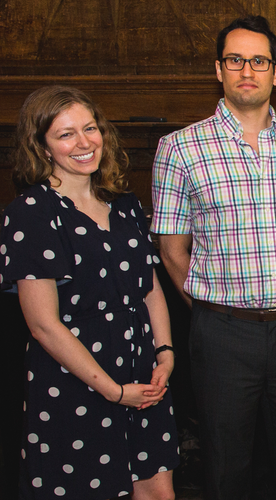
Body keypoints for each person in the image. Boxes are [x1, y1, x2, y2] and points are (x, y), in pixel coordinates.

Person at [151, 15, 276, 500]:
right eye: (235, 60)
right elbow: (171, 250)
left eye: (258, 60)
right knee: (227, 467)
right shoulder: (180, 148)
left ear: (275, 72)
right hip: (222, 333)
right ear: (219, 69)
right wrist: (214, 313)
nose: (246, 70)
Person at [1, 85, 178, 499]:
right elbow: (43, 325)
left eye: (90, 128)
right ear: (42, 147)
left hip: (143, 378)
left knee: (158, 491)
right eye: (66, 134)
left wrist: (165, 354)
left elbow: (149, 289)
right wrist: (114, 392)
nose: (84, 143)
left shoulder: (124, 204)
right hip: (75, 385)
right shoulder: (31, 213)